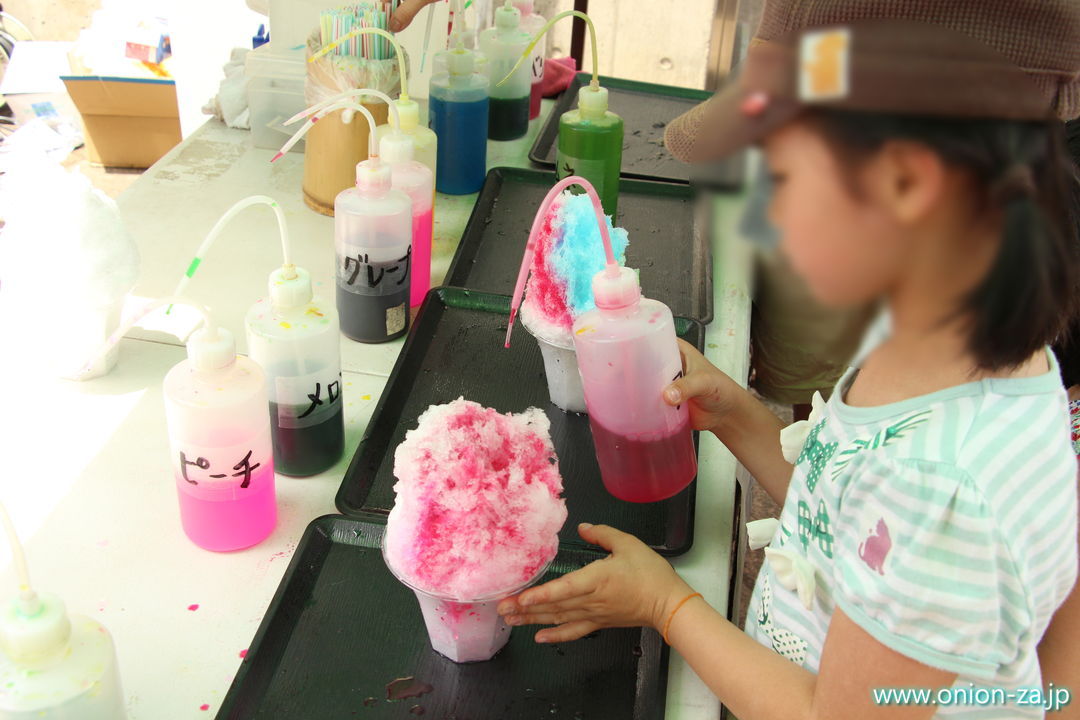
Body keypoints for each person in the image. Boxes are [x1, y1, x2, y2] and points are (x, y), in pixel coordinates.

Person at [497, 1, 1080, 718]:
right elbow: (850, 524)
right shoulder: (930, 349)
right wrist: (741, 419)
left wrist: (668, 604)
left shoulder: (946, 483)